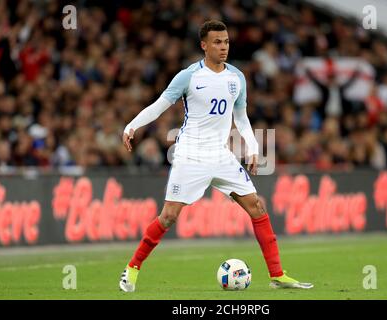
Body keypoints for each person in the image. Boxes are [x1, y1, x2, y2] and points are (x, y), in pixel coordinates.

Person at [119, 20, 313, 292]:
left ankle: (277, 275)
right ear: (204, 45)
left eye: (226, 42)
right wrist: (132, 126)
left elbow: (241, 118)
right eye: (217, 43)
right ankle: (131, 270)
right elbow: (159, 106)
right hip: (191, 155)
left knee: (256, 205)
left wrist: (253, 148)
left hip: (221, 155)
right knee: (168, 217)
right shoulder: (188, 76)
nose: (223, 47)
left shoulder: (236, 77)